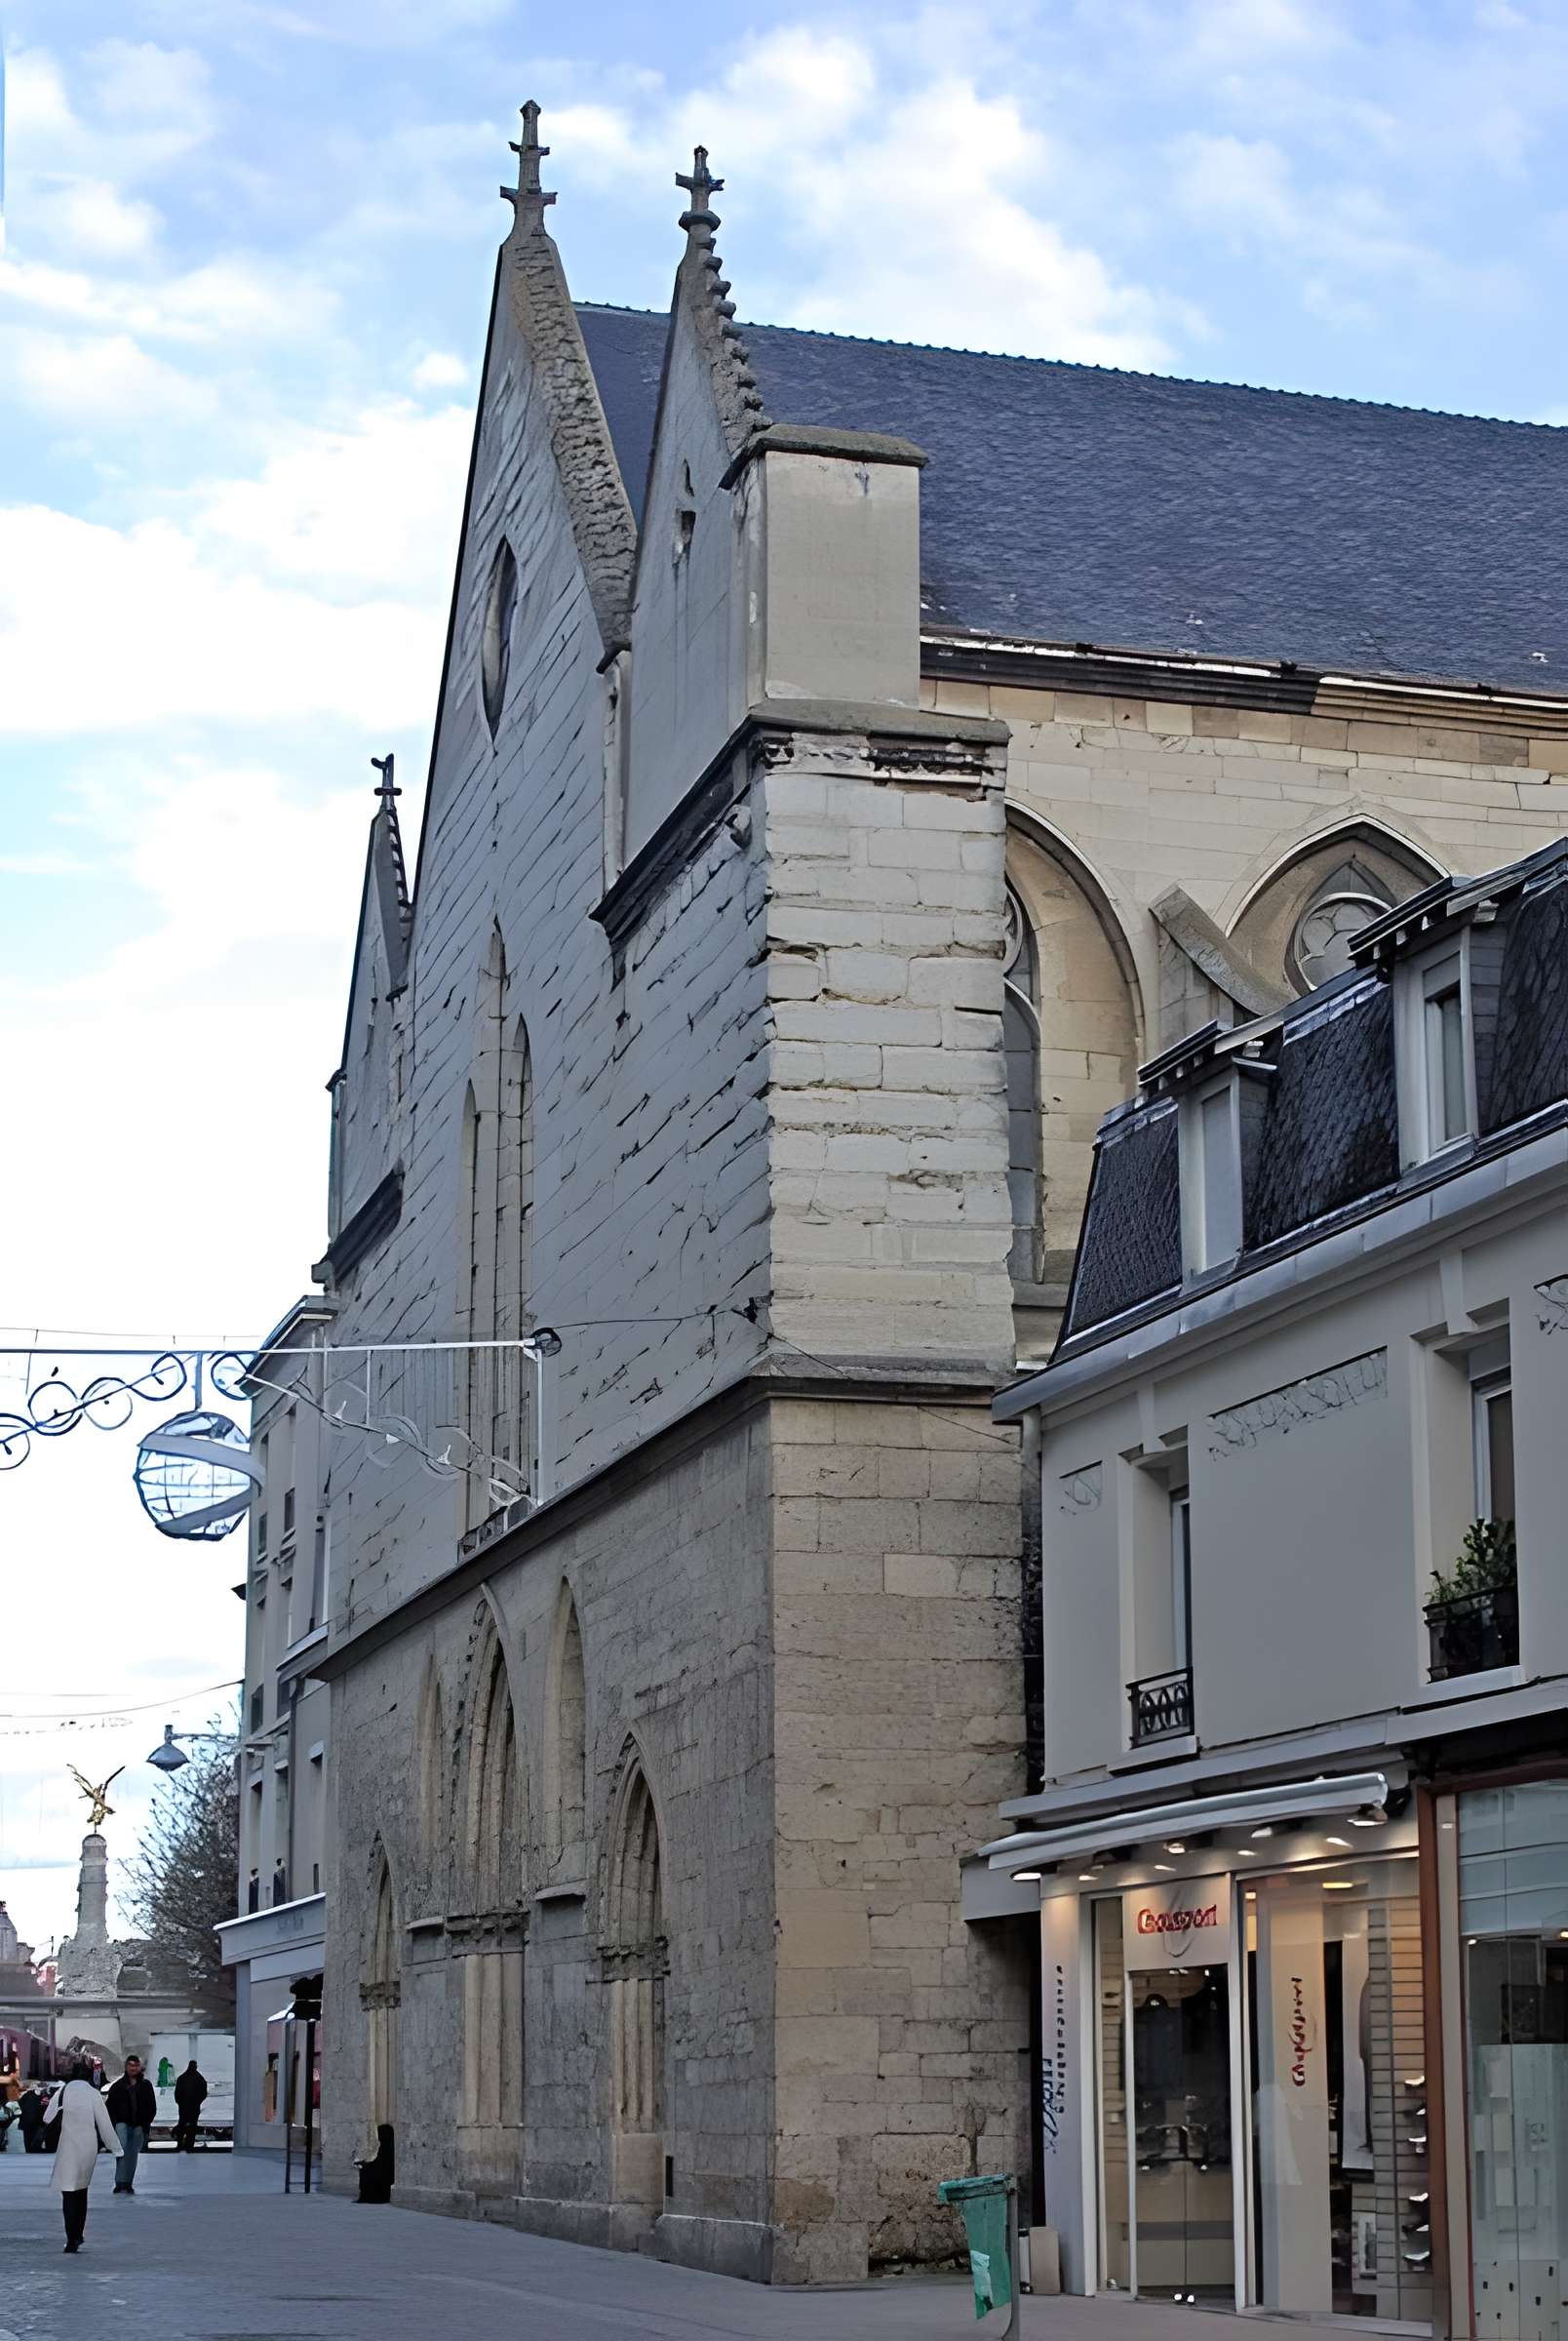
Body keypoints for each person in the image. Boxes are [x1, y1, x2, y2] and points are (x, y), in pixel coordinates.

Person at [51, 2061, 119, 2252]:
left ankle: (71, 2237)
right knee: (81, 2191)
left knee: (68, 2192)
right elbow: (104, 2124)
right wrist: (116, 2149)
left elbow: (47, 2118)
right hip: (88, 2147)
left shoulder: (62, 2092)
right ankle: (78, 2233)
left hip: (68, 2146)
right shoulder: (93, 2094)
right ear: (89, 2076)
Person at [104, 2055, 156, 2195]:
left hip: (139, 2125)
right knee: (121, 2152)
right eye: (130, 2065)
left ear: (139, 2067)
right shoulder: (118, 2086)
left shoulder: (146, 2086)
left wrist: (145, 2124)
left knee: (133, 2154)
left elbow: (152, 2106)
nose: (133, 2068)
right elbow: (109, 2107)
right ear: (126, 2067)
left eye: (136, 2065)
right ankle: (120, 2182)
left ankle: (128, 2183)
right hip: (122, 2124)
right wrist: (115, 2123)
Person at [173, 2060, 208, 2151]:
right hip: (194, 2107)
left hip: (183, 2106)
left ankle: (179, 2144)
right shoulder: (200, 2078)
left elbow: (177, 2093)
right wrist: (198, 2102)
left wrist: (179, 2102)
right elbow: (204, 2093)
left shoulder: (182, 2078)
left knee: (181, 2124)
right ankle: (189, 2145)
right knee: (192, 2126)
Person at [17, 2082, 47, 2152]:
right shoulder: (36, 2097)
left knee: (29, 2138)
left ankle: (30, 2150)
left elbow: (20, 2107)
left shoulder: (26, 2096)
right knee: (31, 2137)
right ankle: (31, 2150)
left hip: (31, 2121)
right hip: (32, 2121)